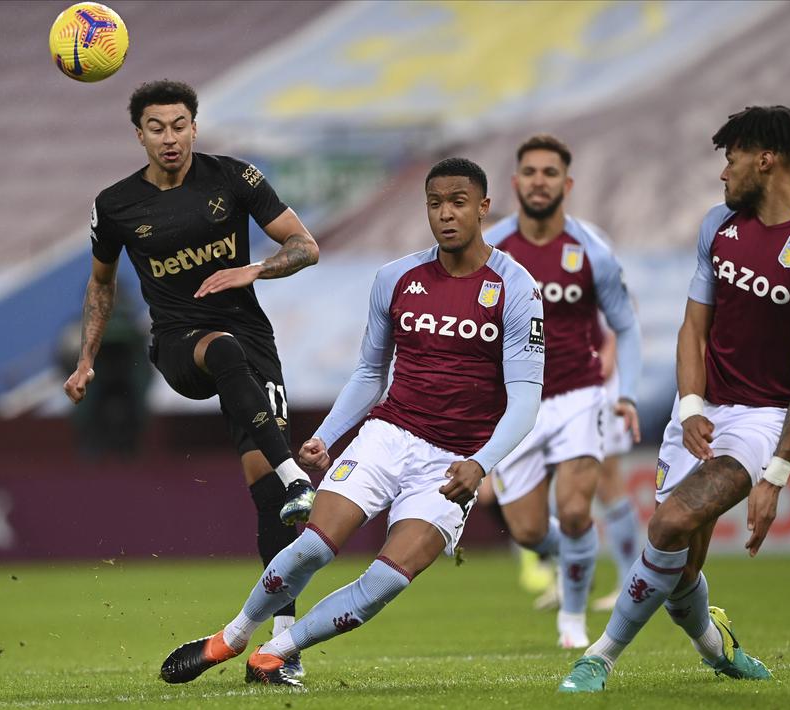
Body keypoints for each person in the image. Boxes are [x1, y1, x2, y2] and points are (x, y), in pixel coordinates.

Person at [158, 157, 544, 688]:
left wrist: (480, 464)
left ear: (483, 208)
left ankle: (277, 653)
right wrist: (325, 436)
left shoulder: (516, 288)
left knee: (384, 583)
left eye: (458, 204)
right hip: (388, 436)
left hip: (453, 462)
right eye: (435, 204)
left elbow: (525, 398)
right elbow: (369, 372)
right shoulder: (396, 278)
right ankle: (232, 636)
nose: (446, 215)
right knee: (314, 545)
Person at [559, 105, 790, 692]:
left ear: (766, 158)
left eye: (732, 157)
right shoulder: (718, 226)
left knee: (667, 524)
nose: (724, 173)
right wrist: (692, 405)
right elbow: (694, 328)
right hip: (700, 409)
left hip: (763, 419)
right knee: (679, 569)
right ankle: (717, 646)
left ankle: (599, 657)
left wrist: (775, 473)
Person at [62, 79, 320, 679]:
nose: (170, 138)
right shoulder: (116, 204)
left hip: (252, 343)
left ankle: (281, 652)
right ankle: (296, 474)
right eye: (157, 128)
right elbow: (102, 284)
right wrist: (86, 360)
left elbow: (306, 246)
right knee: (223, 350)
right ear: (139, 135)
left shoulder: (234, 178)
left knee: (271, 506)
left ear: (194, 127)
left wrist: (251, 270)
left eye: (179, 125)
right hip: (181, 344)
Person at [483, 134, 642, 648]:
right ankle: (578, 558)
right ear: (515, 182)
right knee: (528, 531)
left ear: (566, 184)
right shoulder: (492, 248)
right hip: (515, 403)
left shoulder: (591, 249)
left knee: (576, 510)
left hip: (580, 393)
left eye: (550, 173)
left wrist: (628, 392)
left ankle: (572, 621)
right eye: (530, 172)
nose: (539, 181)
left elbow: (626, 322)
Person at [590, 323, 643, 612]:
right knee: (597, 486)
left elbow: (623, 308)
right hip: (576, 390)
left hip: (600, 394)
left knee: (608, 482)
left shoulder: (598, 277)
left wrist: (607, 352)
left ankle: (630, 581)